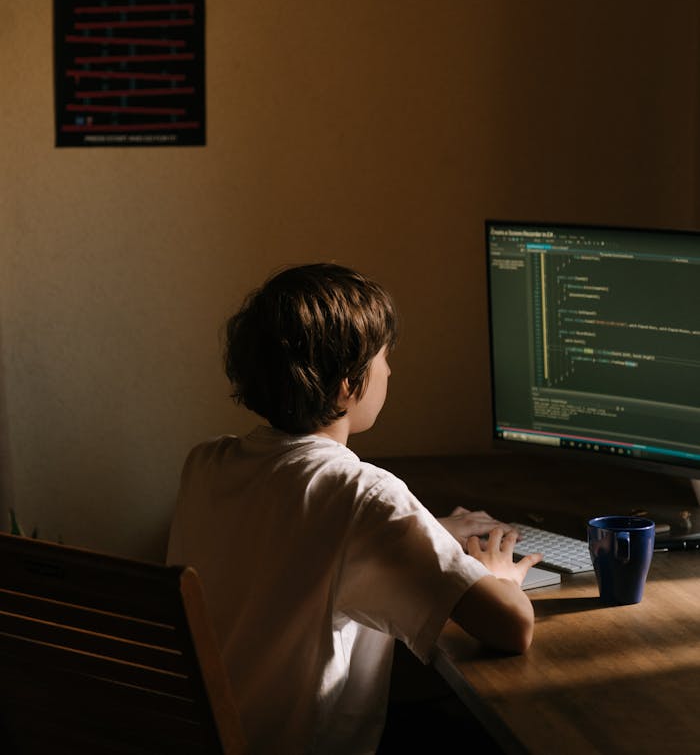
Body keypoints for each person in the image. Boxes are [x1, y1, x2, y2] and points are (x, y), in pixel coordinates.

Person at [167, 264, 541, 754]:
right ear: (349, 384)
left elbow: (293, 538)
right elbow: (512, 627)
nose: (390, 370)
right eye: (384, 358)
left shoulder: (207, 462)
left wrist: (426, 529)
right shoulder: (363, 495)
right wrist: (494, 574)